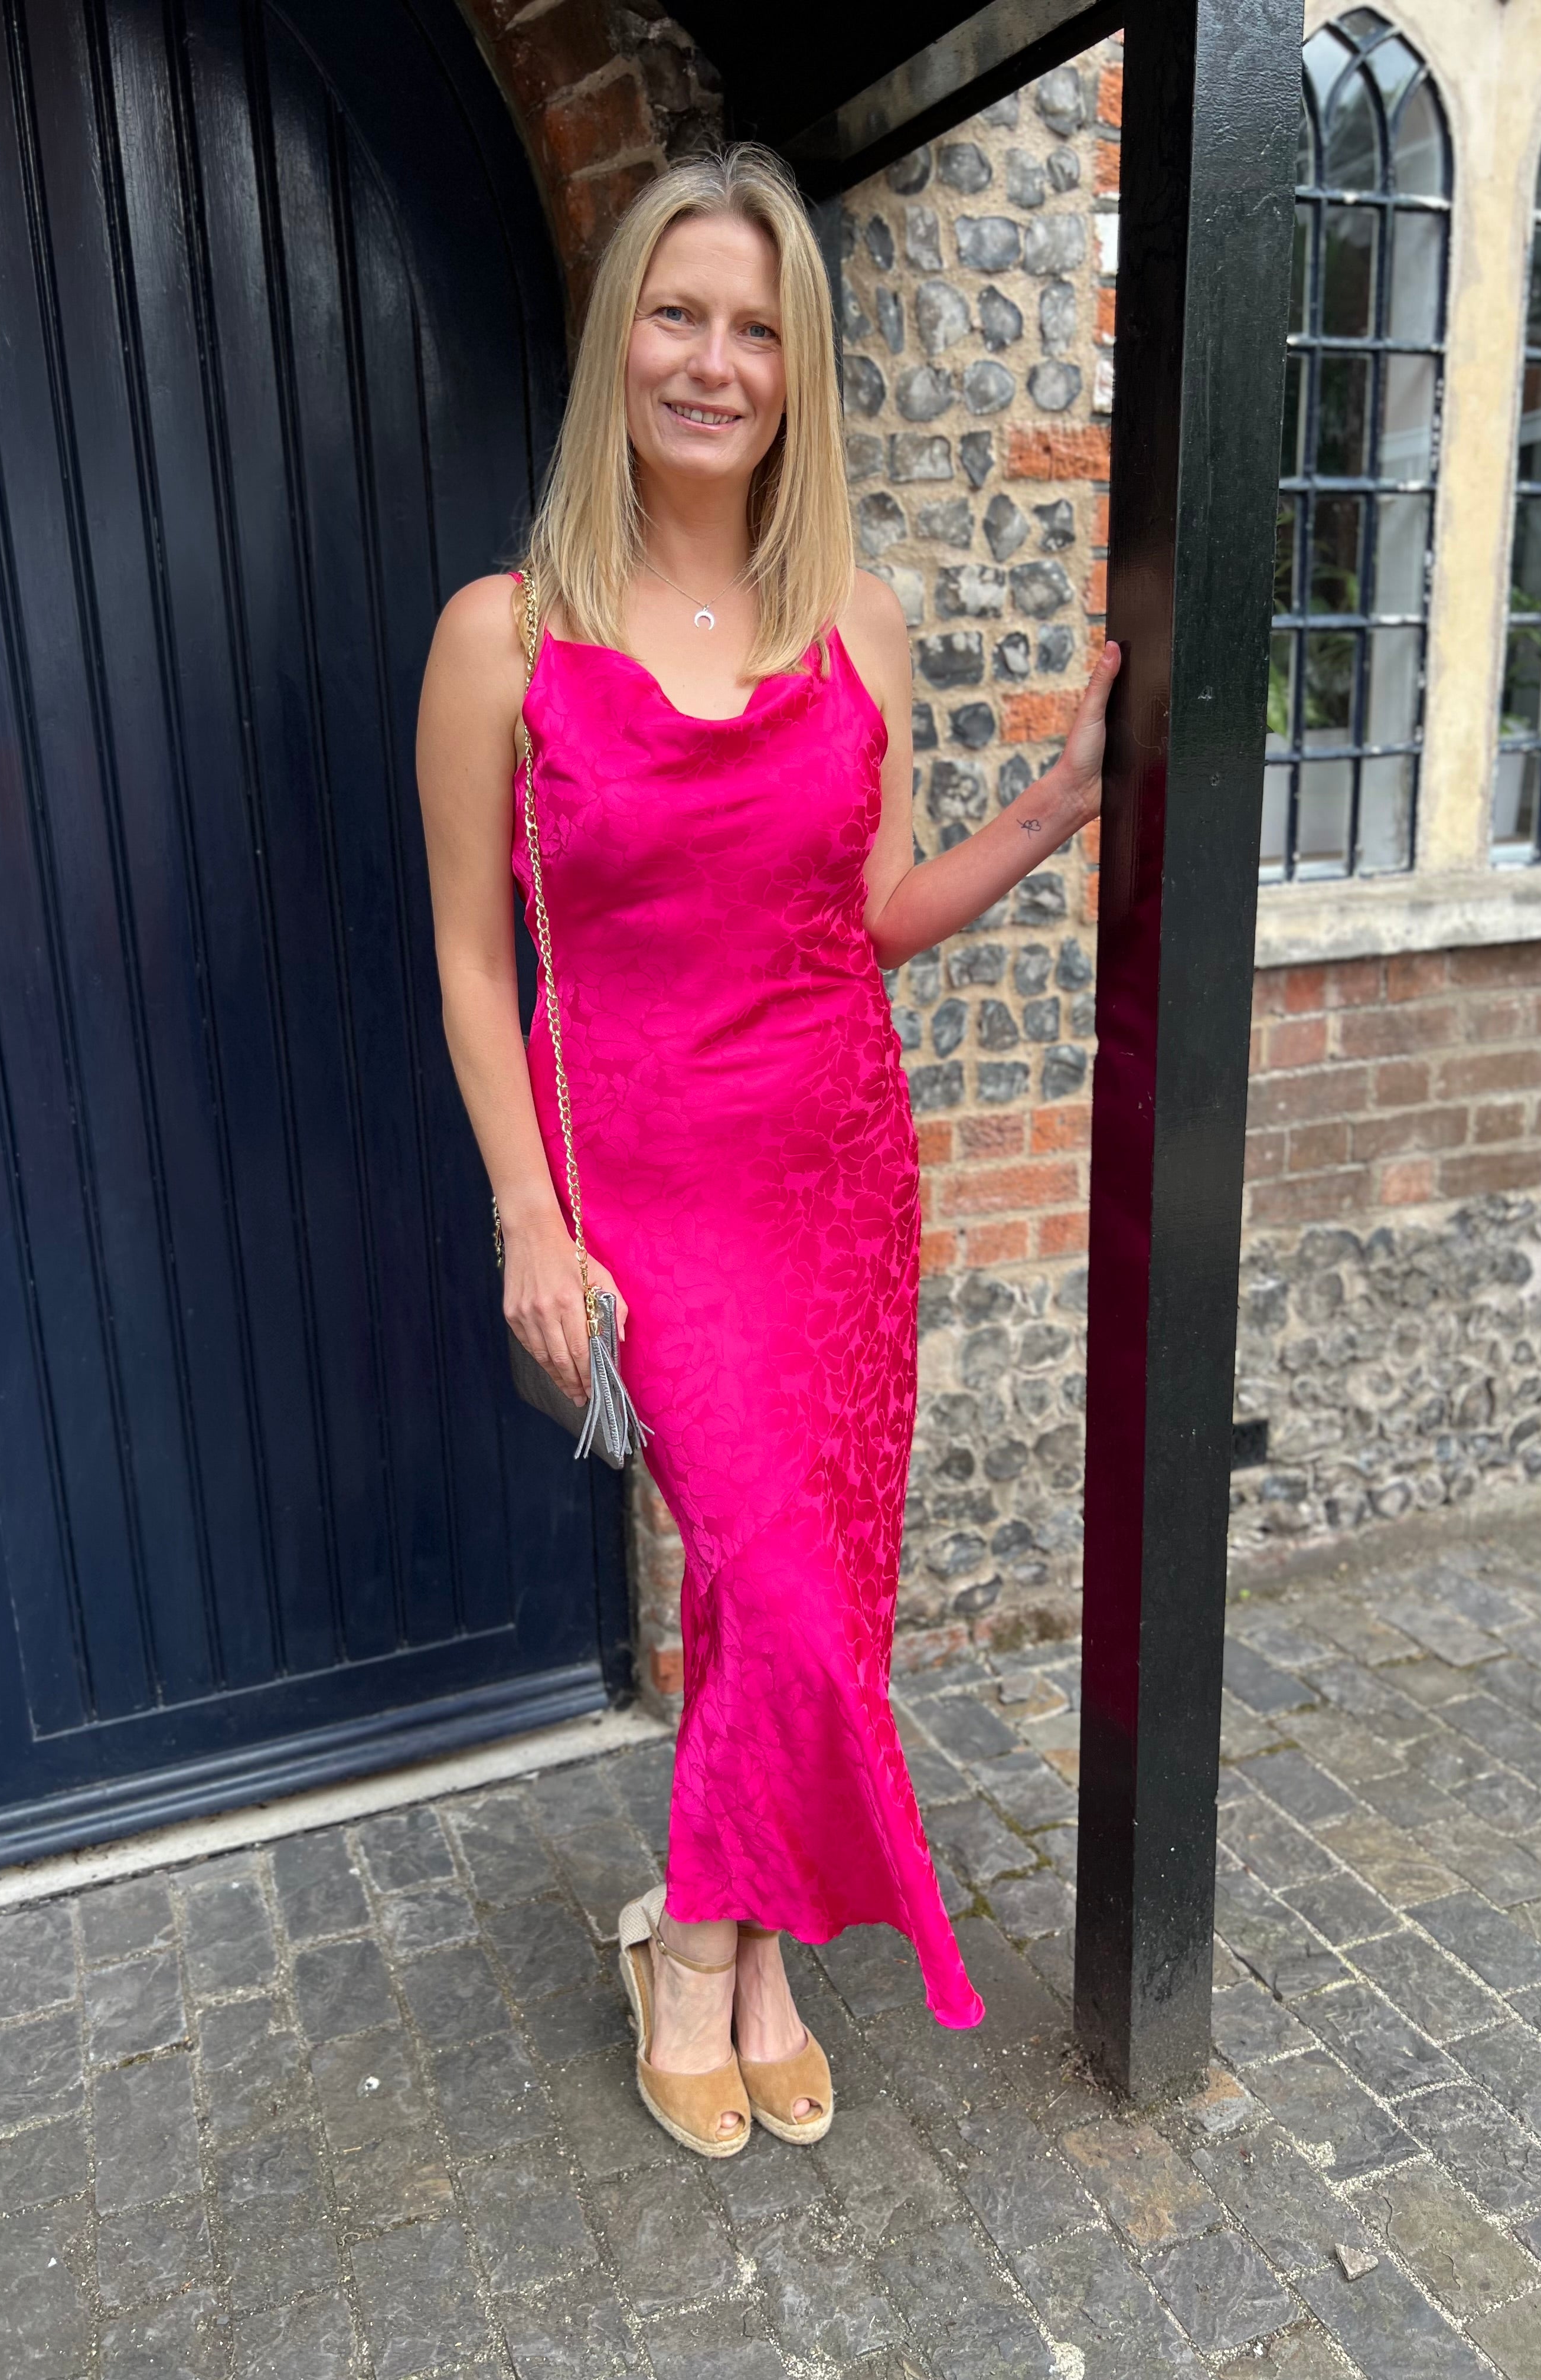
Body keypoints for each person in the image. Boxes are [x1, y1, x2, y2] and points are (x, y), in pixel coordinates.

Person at [417, 144, 1117, 2158]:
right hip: (646, 1190)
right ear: (619, 342)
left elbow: (873, 912)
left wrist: (1059, 803)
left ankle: (729, 1945)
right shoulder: (503, 636)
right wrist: (525, 1216)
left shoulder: (857, 625)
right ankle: (711, 1939)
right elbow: (472, 961)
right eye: (676, 314)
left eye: (753, 328)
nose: (711, 362)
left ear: (797, 368)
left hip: (839, 1178)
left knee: (801, 1599)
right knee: (780, 1589)